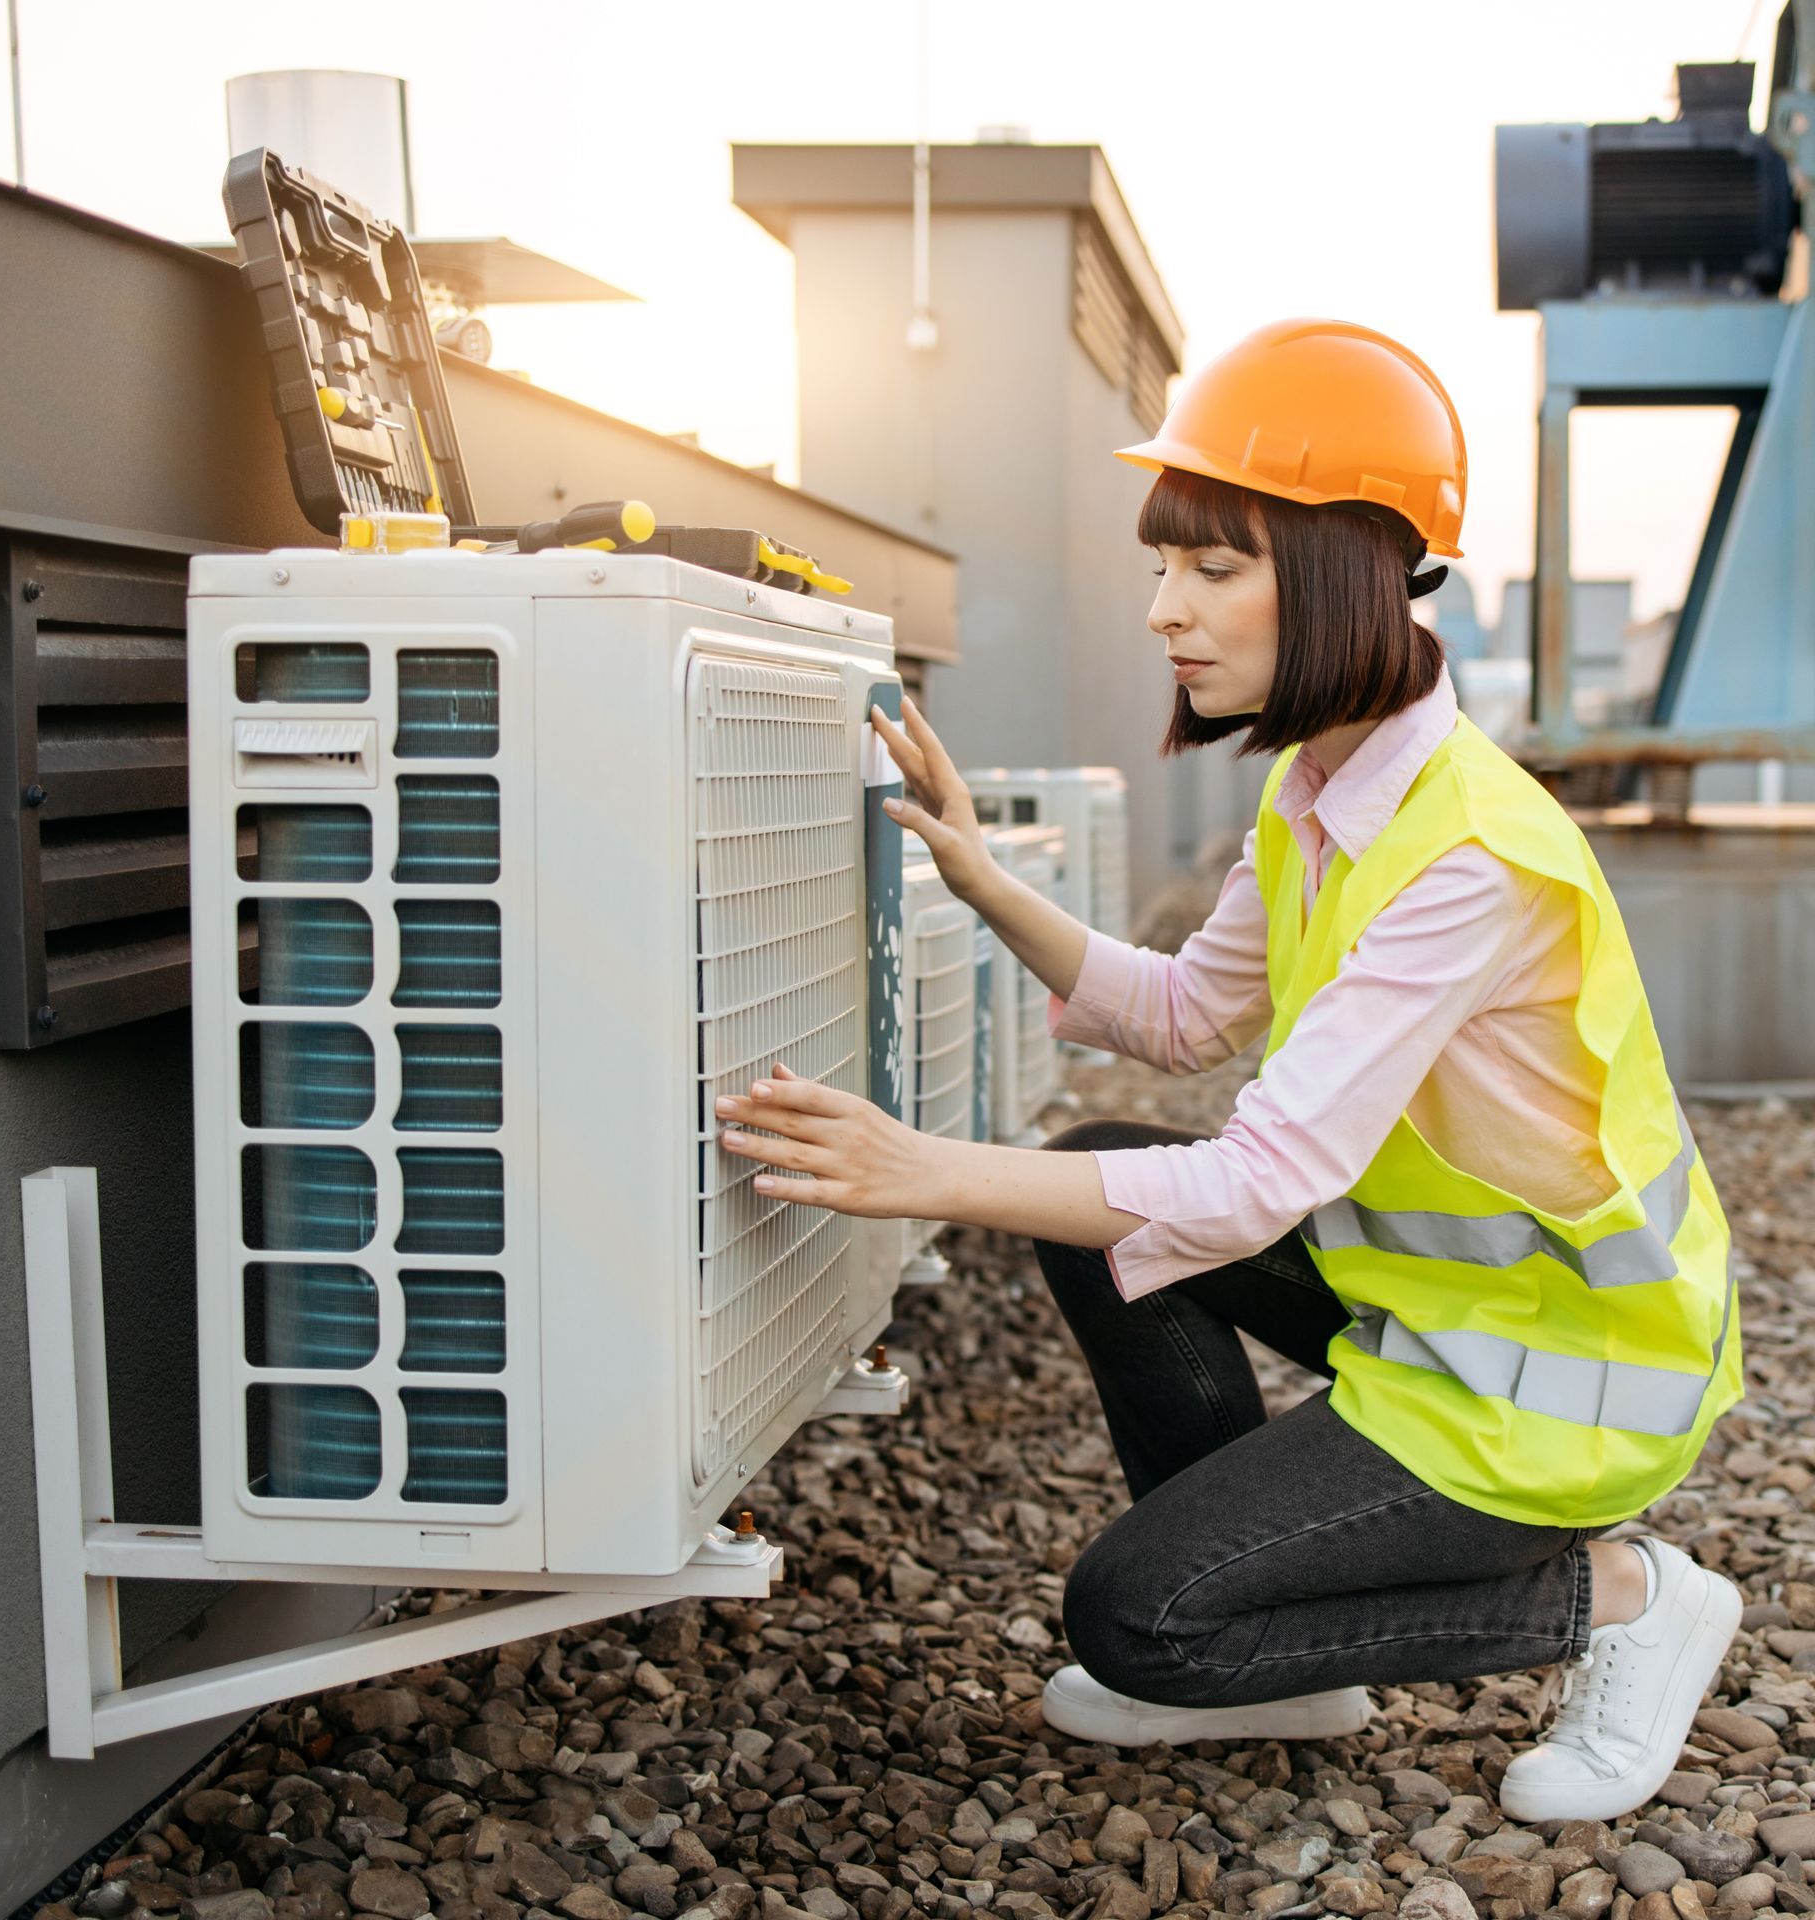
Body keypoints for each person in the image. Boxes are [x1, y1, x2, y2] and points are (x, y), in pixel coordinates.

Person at [717, 318, 1743, 1824]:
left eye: (1213, 567)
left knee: (1132, 1621)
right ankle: (1288, 1662)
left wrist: (921, 1174)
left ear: (1338, 568)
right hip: (1450, 1315)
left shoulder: (1466, 854)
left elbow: (1260, 1178)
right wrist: (984, 878)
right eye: (1164, 567)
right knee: (1104, 1179)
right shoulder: (1321, 782)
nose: (1162, 612)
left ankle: (1626, 1599)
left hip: (1565, 1377)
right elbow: (1191, 1015)